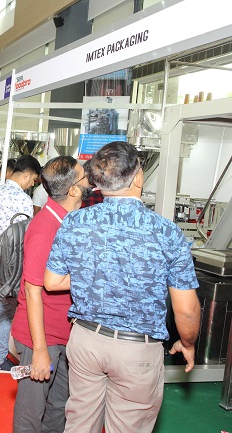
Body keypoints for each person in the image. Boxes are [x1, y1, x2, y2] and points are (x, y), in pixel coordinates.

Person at [44, 141, 201, 433]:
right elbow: (186, 308)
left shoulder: (75, 221)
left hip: (85, 340)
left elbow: (52, 281)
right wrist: (188, 343)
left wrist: (95, 276)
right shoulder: (165, 231)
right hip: (136, 349)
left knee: (79, 423)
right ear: (138, 177)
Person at [11, 156, 91, 433]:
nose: (90, 181)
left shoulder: (66, 221)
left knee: (59, 409)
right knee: (30, 415)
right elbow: (32, 291)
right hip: (42, 337)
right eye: (84, 177)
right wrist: (40, 351)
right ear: (73, 190)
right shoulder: (46, 228)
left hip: (62, 334)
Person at [0, 155, 41, 373]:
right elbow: (23, 235)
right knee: (5, 310)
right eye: (33, 180)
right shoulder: (22, 199)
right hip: (9, 263)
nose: (32, 184)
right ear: (26, 175)